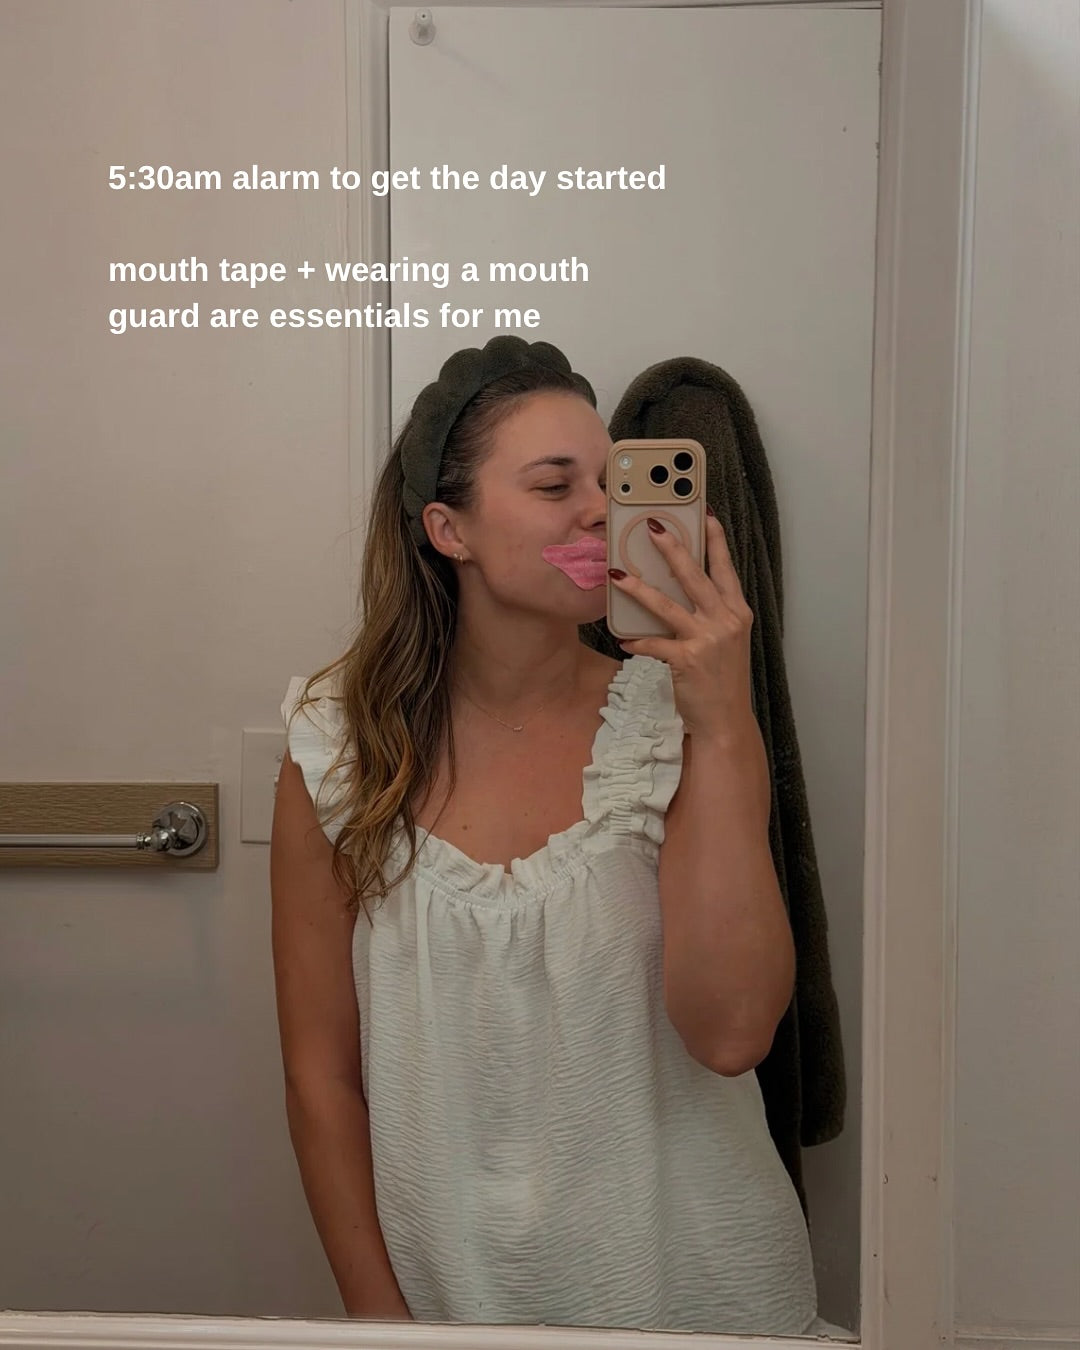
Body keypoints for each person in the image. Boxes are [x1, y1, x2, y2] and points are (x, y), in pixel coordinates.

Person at [270, 335, 830, 1335]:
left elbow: (733, 1032)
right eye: (553, 484)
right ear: (449, 528)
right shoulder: (336, 749)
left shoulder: (676, 721)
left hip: (701, 1287)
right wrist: (376, 1317)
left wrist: (721, 723)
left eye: (612, 481)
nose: (600, 511)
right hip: (454, 1295)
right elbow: (323, 1077)